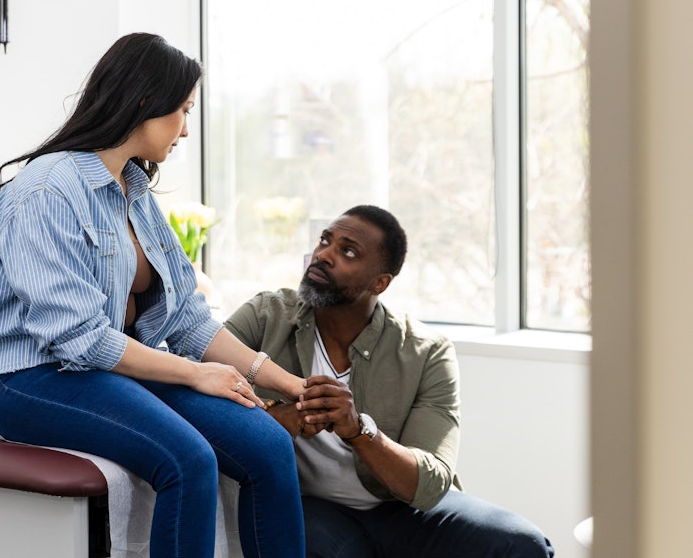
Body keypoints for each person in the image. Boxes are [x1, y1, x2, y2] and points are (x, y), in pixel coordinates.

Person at [0, 33, 307, 558]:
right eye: (182, 112)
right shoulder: (44, 192)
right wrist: (194, 373)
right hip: (27, 376)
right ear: (145, 103)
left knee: (269, 446)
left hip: (110, 367)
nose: (186, 130)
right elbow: (78, 341)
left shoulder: (136, 192)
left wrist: (288, 383)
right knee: (188, 461)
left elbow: (187, 318)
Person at [224, 204, 555, 558]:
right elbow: (195, 386)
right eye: (325, 241)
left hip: (401, 508)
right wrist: (276, 419)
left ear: (379, 282)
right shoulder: (266, 315)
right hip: (309, 502)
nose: (323, 256)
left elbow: (430, 483)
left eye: (347, 251)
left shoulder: (426, 352)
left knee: (522, 545)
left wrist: (357, 430)